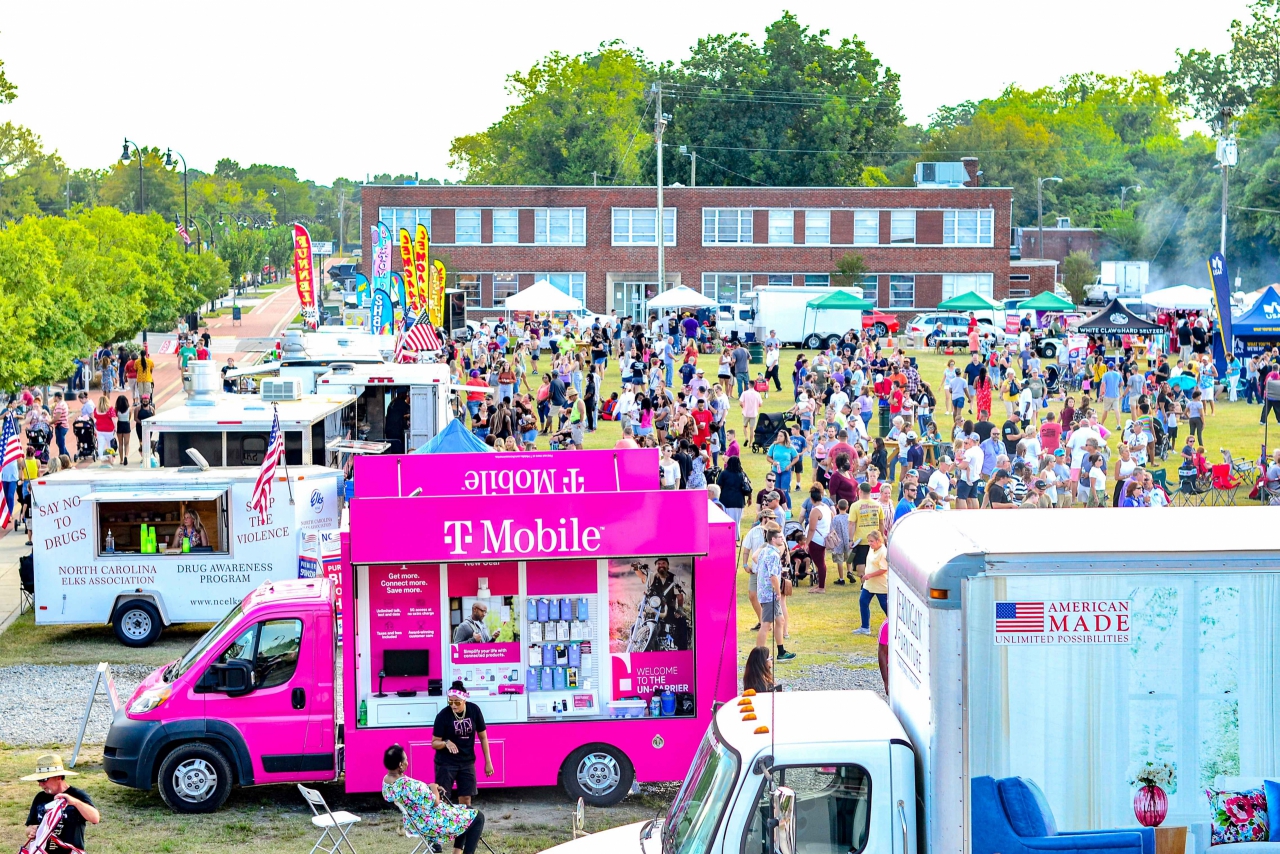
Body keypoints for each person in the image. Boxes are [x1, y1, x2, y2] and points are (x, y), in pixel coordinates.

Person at [382, 743, 486, 854]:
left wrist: (429, 788)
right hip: (431, 823)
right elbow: (435, 802)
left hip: (415, 822)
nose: (407, 762)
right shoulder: (408, 785)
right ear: (400, 765)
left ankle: (457, 851)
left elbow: (414, 795)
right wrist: (434, 787)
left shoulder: (387, 782)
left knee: (467, 810)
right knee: (478, 817)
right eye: (406, 759)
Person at [431, 682, 493, 807]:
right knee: (443, 799)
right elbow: (434, 742)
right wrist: (445, 743)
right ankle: (446, 825)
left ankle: (465, 825)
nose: (453, 705)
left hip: (467, 762)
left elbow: (483, 737)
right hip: (446, 763)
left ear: (464, 700)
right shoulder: (443, 716)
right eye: (450, 701)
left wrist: (488, 761)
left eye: (457, 702)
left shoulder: (474, 710)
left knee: (466, 799)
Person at [23, 753, 99, 854]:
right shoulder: (40, 797)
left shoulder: (77, 795)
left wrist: (75, 802)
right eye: (39, 780)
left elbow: (95, 818)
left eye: (44, 779)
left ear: (58, 777)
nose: (40, 784)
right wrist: (31, 831)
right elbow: (30, 826)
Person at [755, 526, 795, 660]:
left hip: (764, 591)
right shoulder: (773, 554)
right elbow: (773, 576)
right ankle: (759, 655)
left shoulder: (764, 551)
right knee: (766, 624)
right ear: (773, 539)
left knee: (780, 620)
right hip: (769, 593)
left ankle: (781, 652)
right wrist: (778, 592)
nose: (782, 538)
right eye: (779, 537)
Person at [854, 529, 888, 635]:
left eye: (871, 541)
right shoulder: (871, 549)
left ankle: (895, 624)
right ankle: (865, 627)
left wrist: (869, 575)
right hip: (869, 584)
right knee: (863, 601)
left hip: (880, 585)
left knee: (885, 606)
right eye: (869, 541)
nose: (869, 543)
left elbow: (884, 569)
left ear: (878, 541)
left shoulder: (883, 552)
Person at [92, 395, 116, 460]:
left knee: (100, 445)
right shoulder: (110, 409)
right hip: (109, 430)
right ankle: (110, 458)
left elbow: (95, 419)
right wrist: (116, 428)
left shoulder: (96, 410)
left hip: (100, 430)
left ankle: (101, 458)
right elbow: (114, 419)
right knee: (110, 445)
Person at [113, 395, 131, 464]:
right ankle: (126, 456)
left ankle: (121, 460)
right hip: (126, 424)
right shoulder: (129, 409)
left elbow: (115, 416)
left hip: (119, 424)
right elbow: (129, 417)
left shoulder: (116, 409)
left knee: (120, 443)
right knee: (127, 443)